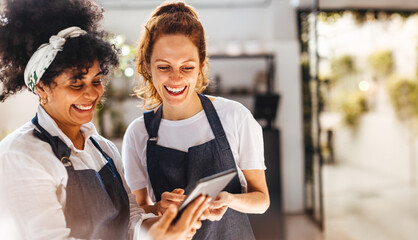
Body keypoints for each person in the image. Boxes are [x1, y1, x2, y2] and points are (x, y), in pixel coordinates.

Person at [0, 0, 210, 239]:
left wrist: (162, 228)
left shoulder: (104, 150)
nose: (91, 94)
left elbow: (131, 220)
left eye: (96, 81)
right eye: (76, 83)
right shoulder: (21, 155)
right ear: (42, 88)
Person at [122, 2, 270, 239]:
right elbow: (136, 212)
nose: (176, 78)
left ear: (201, 66)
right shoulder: (138, 133)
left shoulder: (234, 117)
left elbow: (261, 200)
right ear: (148, 67)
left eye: (187, 67)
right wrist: (158, 208)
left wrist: (230, 199)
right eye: (164, 66)